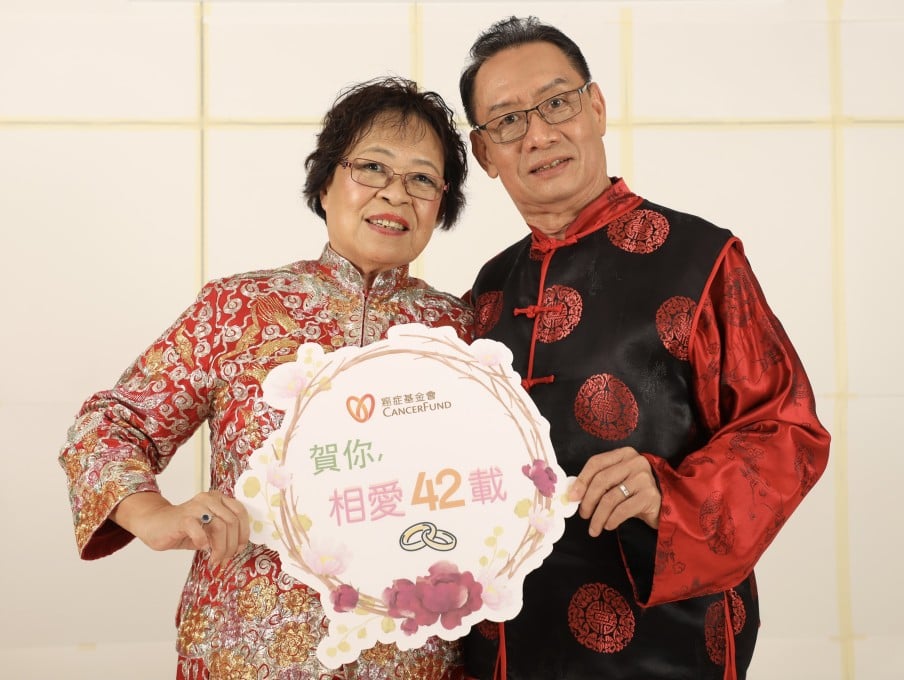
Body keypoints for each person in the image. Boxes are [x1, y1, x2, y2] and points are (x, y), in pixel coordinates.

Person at [59, 77, 472, 680]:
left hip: (414, 659)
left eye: (422, 178)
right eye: (372, 167)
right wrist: (152, 513)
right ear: (327, 182)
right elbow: (109, 424)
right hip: (244, 651)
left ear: (442, 204)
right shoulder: (239, 308)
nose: (395, 194)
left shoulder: (463, 332)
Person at [457, 16, 831, 680]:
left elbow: (786, 429)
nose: (539, 133)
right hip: (503, 648)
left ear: (596, 107)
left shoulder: (701, 258)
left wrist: (673, 495)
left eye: (556, 102)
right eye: (507, 121)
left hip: (667, 644)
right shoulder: (488, 289)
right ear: (485, 154)